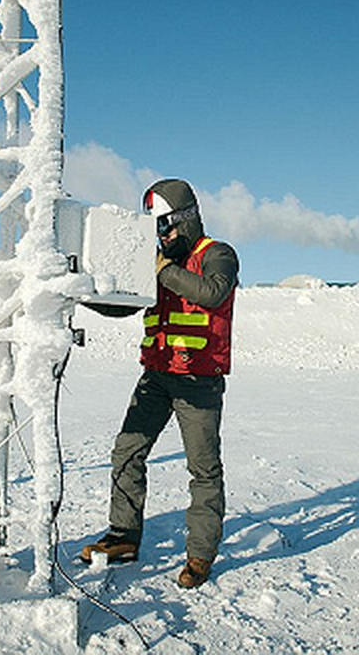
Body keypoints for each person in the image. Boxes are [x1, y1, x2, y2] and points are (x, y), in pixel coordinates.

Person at [80, 178, 239, 589]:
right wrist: (80, 290)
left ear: (187, 220)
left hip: (198, 383)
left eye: (167, 226)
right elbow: (124, 305)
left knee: (203, 469)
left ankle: (200, 555)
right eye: (156, 229)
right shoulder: (157, 260)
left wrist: (162, 269)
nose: (163, 236)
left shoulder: (217, 255)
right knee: (127, 451)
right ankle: (123, 537)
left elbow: (212, 293)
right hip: (156, 375)